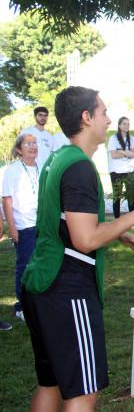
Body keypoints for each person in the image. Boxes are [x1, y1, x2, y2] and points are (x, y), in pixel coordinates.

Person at [21, 86, 134, 411]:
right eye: (104, 112)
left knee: (50, 385)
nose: (109, 120)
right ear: (86, 117)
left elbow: (66, 222)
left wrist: (118, 233)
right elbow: (85, 240)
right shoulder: (79, 167)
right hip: (66, 290)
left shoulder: (59, 158)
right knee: (83, 392)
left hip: (43, 282)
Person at [2, 133, 40, 322]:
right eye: (28, 144)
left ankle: (38, 303)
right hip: (24, 227)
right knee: (25, 268)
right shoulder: (13, 170)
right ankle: (21, 307)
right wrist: (13, 228)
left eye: (34, 143)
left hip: (42, 225)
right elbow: (7, 201)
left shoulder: (42, 168)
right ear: (19, 149)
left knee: (41, 266)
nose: (33, 146)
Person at [107, 116, 134, 218]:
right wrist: (129, 153)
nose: (126, 126)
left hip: (130, 170)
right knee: (117, 197)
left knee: (131, 197)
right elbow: (113, 155)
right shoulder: (113, 138)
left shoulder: (133, 139)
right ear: (119, 125)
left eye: (128, 124)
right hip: (116, 171)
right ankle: (117, 219)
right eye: (124, 124)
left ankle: (132, 219)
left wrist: (121, 151)